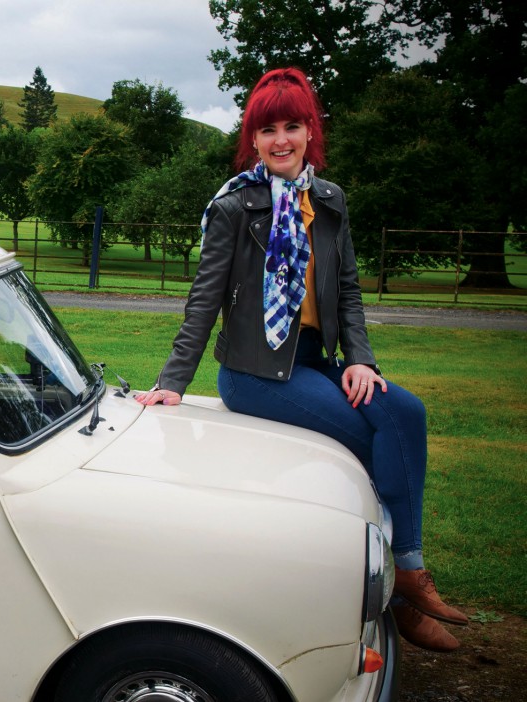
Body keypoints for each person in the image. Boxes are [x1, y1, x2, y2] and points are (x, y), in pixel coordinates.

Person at [135, 68, 467, 652]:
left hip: (316, 359)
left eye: (293, 125)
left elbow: (351, 292)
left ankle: (407, 572)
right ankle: (401, 589)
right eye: (268, 129)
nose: (281, 139)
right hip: (256, 373)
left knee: (404, 414)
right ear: (254, 140)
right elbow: (204, 297)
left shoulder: (330, 201)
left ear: (311, 132)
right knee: (374, 442)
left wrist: (362, 360)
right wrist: (172, 382)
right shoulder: (235, 206)